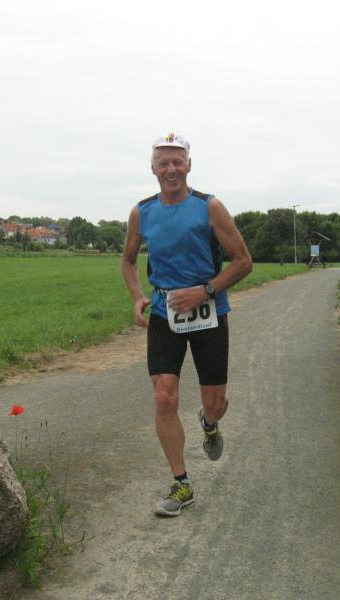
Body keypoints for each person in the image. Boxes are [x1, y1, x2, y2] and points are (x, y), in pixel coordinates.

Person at [121, 133, 253, 517]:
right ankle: (181, 484)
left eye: (177, 161)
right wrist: (137, 296)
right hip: (165, 313)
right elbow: (128, 260)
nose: (171, 169)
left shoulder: (210, 207)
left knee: (216, 403)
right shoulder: (141, 213)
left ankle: (209, 424)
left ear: (189, 165)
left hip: (209, 311)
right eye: (163, 162)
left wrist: (205, 291)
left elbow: (243, 261)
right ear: (153, 169)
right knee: (164, 396)